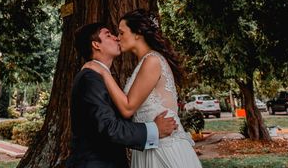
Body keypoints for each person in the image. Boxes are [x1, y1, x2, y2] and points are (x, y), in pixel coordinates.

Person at [84, 10, 202, 168]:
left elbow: (127, 108)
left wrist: (103, 72)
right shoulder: (144, 63)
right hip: (149, 145)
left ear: (137, 33)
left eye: (121, 32)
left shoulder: (152, 60)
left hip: (163, 149)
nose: (118, 38)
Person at [67, 22, 178, 168]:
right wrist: (154, 129)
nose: (116, 38)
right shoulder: (90, 78)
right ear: (96, 45)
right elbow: (108, 127)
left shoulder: (100, 76)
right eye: (108, 35)